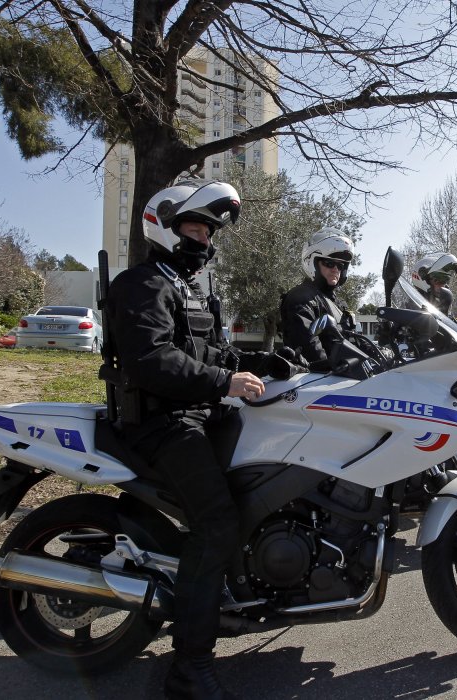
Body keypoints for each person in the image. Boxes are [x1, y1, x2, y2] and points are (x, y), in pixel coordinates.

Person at [106, 180, 302, 700]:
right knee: (216, 521)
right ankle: (189, 667)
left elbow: (213, 354)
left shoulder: (190, 288)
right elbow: (153, 362)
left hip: (201, 413)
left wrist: (264, 363)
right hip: (163, 422)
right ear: (164, 227)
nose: (204, 238)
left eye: (209, 230)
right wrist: (225, 382)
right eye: (195, 227)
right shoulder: (142, 284)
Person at [279, 227, 355, 365]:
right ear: (312, 262)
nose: (336, 269)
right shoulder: (301, 298)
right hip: (318, 380)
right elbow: (309, 348)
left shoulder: (338, 303)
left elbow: (353, 341)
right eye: (329, 263)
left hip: (345, 378)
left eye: (340, 265)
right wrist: (334, 368)